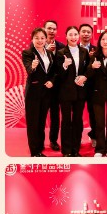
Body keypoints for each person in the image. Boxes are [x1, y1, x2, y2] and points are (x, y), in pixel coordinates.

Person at [55, 26, 89, 157]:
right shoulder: (61, 53)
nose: (73, 37)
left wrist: (84, 77)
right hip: (65, 92)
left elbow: (87, 70)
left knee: (77, 121)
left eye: (75, 34)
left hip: (80, 92)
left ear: (78, 36)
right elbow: (58, 74)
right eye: (71, 34)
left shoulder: (84, 51)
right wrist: (64, 66)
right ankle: (66, 150)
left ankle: (76, 149)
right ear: (66, 36)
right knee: (66, 121)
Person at [22, 27, 56, 157]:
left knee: (41, 121)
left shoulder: (49, 53)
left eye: (42, 38)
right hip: (33, 92)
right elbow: (29, 70)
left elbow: (53, 72)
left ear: (46, 39)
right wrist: (33, 66)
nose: (40, 40)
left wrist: (52, 81)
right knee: (33, 123)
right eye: (37, 38)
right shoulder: (28, 53)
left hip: (46, 92)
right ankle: (34, 152)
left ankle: (40, 146)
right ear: (32, 39)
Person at [43, 20, 64, 152]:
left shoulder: (61, 46)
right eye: (49, 28)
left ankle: (53, 140)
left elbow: (60, 68)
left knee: (55, 116)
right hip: (42, 87)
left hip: (56, 87)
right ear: (44, 29)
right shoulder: (37, 45)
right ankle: (38, 141)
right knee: (40, 115)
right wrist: (46, 51)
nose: (51, 31)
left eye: (54, 29)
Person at [79, 23, 98, 149]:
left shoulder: (96, 50)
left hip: (92, 87)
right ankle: (77, 137)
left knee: (94, 114)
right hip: (78, 86)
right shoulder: (73, 48)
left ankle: (94, 136)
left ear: (91, 34)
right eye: (83, 31)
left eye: (88, 32)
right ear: (79, 33)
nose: (86, 34)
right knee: (77, 114)